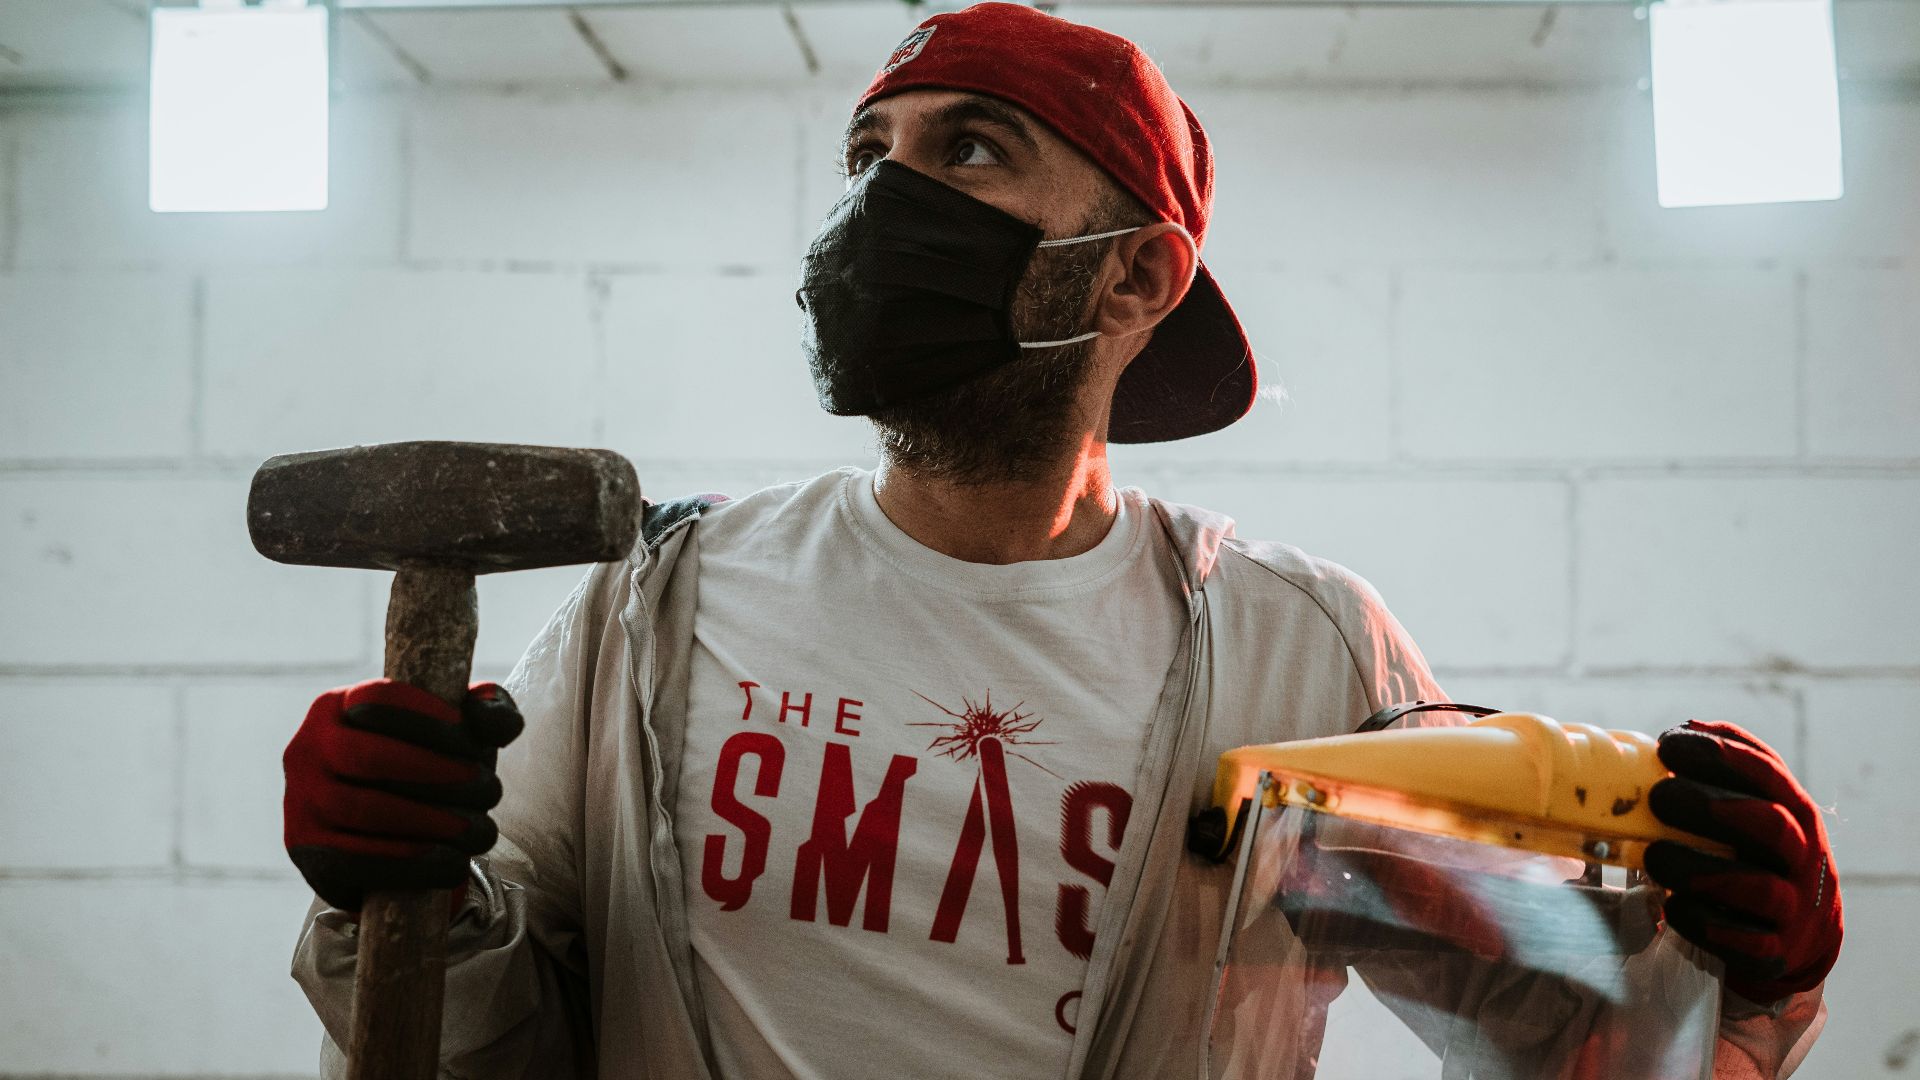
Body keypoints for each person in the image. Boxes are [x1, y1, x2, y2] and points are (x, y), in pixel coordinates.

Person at [284, 5, 1841, 1077]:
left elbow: (1556, 1024)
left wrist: (1741, 960)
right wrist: (384, 888)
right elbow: (478, 1035)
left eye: (967, 153)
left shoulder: (1292, 657)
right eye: (867, 153)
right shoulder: (658, 609)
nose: (885, 203)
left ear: (1132, 280)